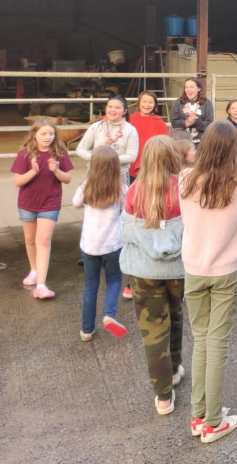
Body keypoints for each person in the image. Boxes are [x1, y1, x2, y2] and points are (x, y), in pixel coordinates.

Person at [180, 121, 237, 443]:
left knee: (200, 340)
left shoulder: (185, 178)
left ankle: (199, 415)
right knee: (217, 342)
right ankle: (213, 421)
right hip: (226, 267)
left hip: (194, 266)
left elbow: (185, 219)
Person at [120, 135, 186, 416]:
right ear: (173, 158)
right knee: (176, 315)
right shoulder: (183, 188)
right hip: (177, 270)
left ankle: (163, 397)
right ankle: (175, 368)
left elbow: (126, 232)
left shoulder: (134, 191)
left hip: (144, 271)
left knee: (154, 331)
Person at [13, 117, 73, 300]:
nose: (48, 137)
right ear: (34, 134)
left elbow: (68, 178)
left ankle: (41, 285)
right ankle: (34, 270)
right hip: (27, 203)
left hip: (50, 203)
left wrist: (56, 170)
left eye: (51, 133)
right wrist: (33, 171)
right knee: (30, 239)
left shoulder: (60, 153)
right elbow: (18, 181)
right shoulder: (25, 154)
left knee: (44, 240)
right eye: (43, 133)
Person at [74, 145, 127, 340]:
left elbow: (75, 202)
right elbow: (128, 208)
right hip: (113, 245)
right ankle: (109, 314)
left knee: (90, 285)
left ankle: (86, 330)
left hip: (89, 245)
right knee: (114, 280)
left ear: (93, 165)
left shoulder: (87, 185)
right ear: (116, 166)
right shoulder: (120, 187)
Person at [77, 96, 139, 184]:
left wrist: (109, 159)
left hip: (119, 176)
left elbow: (132, 156)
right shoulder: (96, 127)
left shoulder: (130, 130)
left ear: (125, 111)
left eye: (117, 107)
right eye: (110, 106)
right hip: (95, 174)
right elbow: (80, 149)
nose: (112, 110)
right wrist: (96, 158)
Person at [129, 90, 169, 182]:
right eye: (144, 101)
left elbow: (164, 145)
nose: (147, 105)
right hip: (133, 161)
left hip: (152, 163)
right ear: (139, 103)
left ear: (155, 105)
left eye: (150, 102)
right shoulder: (130, 119)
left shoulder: (159, 122)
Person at [171, 78, 215, 147]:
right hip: (182, 142)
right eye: (186, 87)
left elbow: (209, 124)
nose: (188, 90)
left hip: (201, 142)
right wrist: (186, 122)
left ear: (199, 89)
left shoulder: (206, 103)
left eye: (192, 87)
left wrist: (196, 121)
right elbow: (174, 122)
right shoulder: (178, 103)